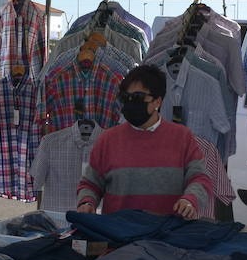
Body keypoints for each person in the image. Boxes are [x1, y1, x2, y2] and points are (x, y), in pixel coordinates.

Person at [75, 64, 212, 218]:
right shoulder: (108, 140)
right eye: (126, 98)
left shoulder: (182, 137)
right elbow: (90, 184)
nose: (131, 103)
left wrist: (190, 200)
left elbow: (199, 178)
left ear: (157, 102)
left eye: (138, 97)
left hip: (168, 234)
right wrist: (87, 202)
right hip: (119, 233)